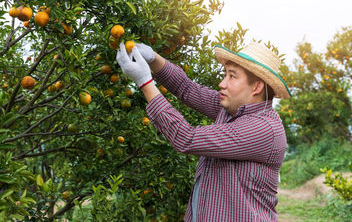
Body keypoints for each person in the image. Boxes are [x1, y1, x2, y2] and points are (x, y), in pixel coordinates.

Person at [116, 41, 292, 222]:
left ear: (256, 87)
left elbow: (187, 138)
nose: (222, 83)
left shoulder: (263, 129)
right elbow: (186, 88)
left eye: (232, 76)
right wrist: (153, 59)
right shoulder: (231, 109)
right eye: (225, 74)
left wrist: (145, 82)